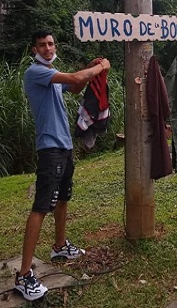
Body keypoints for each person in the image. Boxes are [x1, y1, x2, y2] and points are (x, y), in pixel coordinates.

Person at [16, 29, 111, 302]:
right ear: (34, 50)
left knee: (63, 199)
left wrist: (92, 68)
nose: (47, 48)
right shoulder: (36, 72)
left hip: (65, 146)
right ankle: (23, 274)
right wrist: (101, 67)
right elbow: (74, 78)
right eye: (42, 45)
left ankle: (59, 245)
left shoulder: (52, 74)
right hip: (50, 148)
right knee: (41, 206)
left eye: (50, 43)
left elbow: (76, 85)